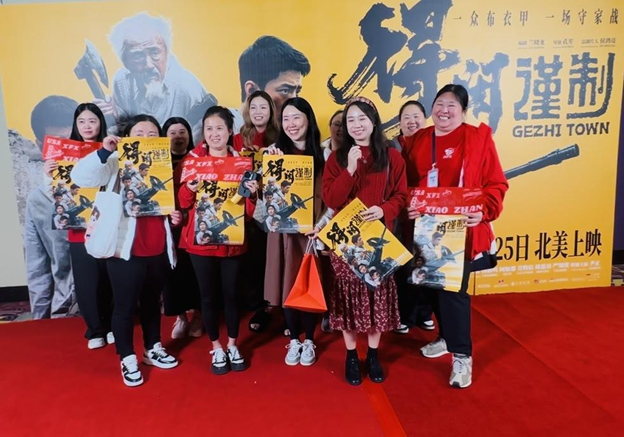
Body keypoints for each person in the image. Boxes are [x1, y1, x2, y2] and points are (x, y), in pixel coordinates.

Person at [402, 84, 508, 388]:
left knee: (453, 293)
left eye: (451, 105)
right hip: (426, 229)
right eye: (439, 104)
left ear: (463, 110)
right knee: (432, 287)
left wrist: (483, 211)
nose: (444, 110)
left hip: (460, 230)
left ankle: (462, 356)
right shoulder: (419, 139)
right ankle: (445, 337)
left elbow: (496, 183)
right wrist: (409, 204)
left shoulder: (477, 139)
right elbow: (405, 183)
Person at [72, 114, 181, 387]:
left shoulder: (163, 164)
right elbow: (80, 176)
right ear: (127, 137)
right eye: (139, 134)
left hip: (157, 245)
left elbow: (167, 201)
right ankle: (127, 357)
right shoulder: (114, 160)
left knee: (152, 301)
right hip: (125, 248)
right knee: (124, 306)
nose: (146, 138)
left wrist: (173, 216)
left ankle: (152, 347)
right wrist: (105, 151)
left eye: (152, 134)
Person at [322, 96, 408, 386]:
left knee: (376, 298)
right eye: (351, 120)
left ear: (373, 122)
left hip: (378, 241)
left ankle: (372, 355)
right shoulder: (336, 158)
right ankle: (350, 355)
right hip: (346, 243)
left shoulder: (392, 157)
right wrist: (349, 168)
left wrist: (384, 210)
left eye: (362, 118)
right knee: (347, 300)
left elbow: (401, 195)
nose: (356, 125)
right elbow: (332, 199)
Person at [176, 106, 259, 375]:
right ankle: (216, 347)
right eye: (209, 128)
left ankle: (233, 344)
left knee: (231, 295)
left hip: (232, 241)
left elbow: (248, 213)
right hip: (200, 242)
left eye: (219, 128)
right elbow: (182, 203)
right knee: (208, 297)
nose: (214, 134)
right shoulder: (192, 162)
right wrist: (189, 188)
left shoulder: (243, 163)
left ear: (229, 131)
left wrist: (252, 194)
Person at [262, 97, 325, 367]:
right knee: (286, 281)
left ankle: (309, 339)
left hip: (311, 232)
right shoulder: (274, 154)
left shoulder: (323, 153)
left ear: (308, 120)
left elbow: (330, 197)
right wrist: (269, 169)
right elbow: (265, 200)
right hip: (283, 233)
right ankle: (295, 340)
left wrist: (321, 225)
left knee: (308, 281)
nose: (291, 124)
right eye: (285, 119)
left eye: (296, 117)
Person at [17, 96, 78, 319]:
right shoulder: (37, 199)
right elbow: (37, 268)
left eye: (72, 140)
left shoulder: (106, 186)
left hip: (114, 310)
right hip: (66, 310)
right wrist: (39, 321)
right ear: (40, 146)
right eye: (57, 143)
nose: (66, 150)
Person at [96, 12, 211, 129]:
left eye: (155, 52)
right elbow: (121, 129)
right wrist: (114, 116)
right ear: (125, 62)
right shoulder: (121, 82)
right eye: (138, 56)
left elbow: (202, 136)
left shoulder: (187, 89)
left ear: (166, 53)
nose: (149, 65)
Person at [392, 100, 436, 335]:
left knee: (427, 261)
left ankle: (424, 313)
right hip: (402, 215)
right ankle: (404, 315)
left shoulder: (436, 144)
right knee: (403, 266)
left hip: (429, 215)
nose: (412, 121)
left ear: (425, 119)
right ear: (399, 122)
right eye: (406, 117)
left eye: (416, 116)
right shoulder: (391, 146)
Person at [162, 116, 202, 340]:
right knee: (172, 273)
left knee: (196, 272)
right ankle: (181, 317)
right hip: (168, 225)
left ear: (189, 135)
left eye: (182, 132)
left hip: (194, 224)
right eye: (172, 133)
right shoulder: (158, 162)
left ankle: (198, 315)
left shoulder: (198, 160)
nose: (178, 137)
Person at [232, 36, 311, 130]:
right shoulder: (224, 133)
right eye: (285, 91)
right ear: (252, 90)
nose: (294, 104)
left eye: (297, 92)